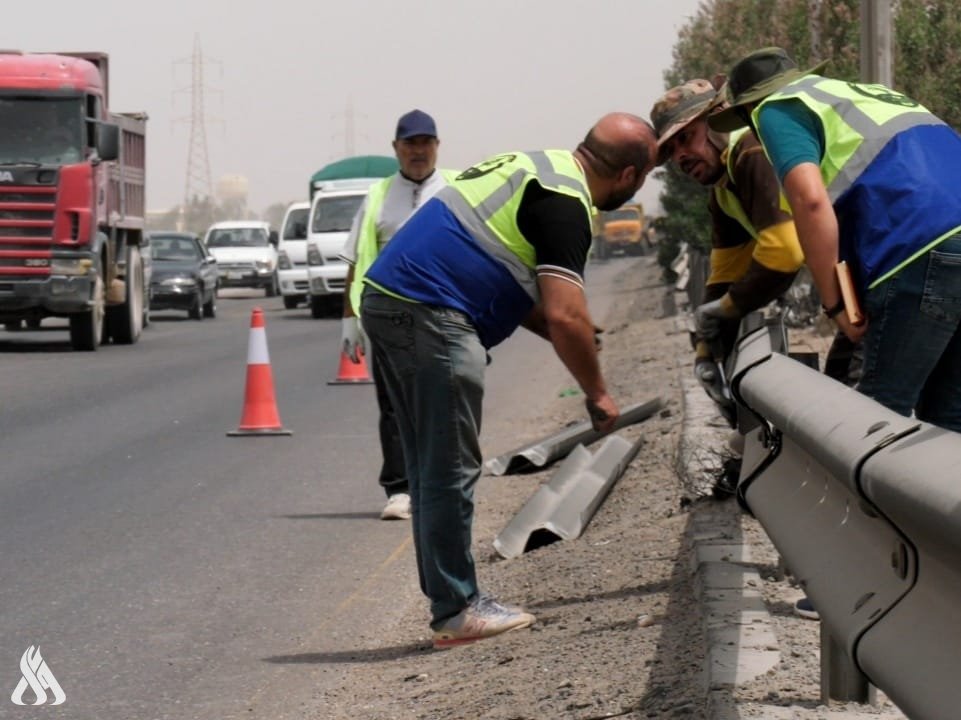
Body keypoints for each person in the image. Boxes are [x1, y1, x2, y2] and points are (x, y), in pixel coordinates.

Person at [360, 113, 657, 648]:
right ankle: (457, 610)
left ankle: (451, 602)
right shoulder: (567, 206)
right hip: (432, 312)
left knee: (432, 466)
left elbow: (510, 280)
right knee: (449, 466)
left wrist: (576, 340)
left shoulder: (535, 168)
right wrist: (598, 393)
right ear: (631, 176)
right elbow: (567, 315)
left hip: (393, 300)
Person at [709, 47, 961, 432]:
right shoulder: (868, 95)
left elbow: (810, 202)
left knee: (876, 420)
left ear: (748, 112)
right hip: (945, 240)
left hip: (917, 248)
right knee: (948, 415)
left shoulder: (776, 108)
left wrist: (835, 304)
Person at [649, 78, 804, 423]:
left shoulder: (752, 150)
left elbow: (784, 254)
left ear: (719, 118)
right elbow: (725, 275)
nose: (680, 157)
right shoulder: (724, 190)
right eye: (671, 151)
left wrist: (726, 310)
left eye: (686, 138)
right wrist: (706, 351)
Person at [339, 109, 455, 521]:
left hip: (446, 314)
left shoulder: (458, 190)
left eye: (425, 142)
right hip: (390, 318)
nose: (418, 151)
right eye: (410, 143)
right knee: (394, 405)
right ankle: (400, 489)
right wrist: (349, 319)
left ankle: (444, 485)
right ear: (396, 149)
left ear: (437, 146)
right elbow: (356, 259)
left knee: (446, 401)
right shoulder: (377, 196)